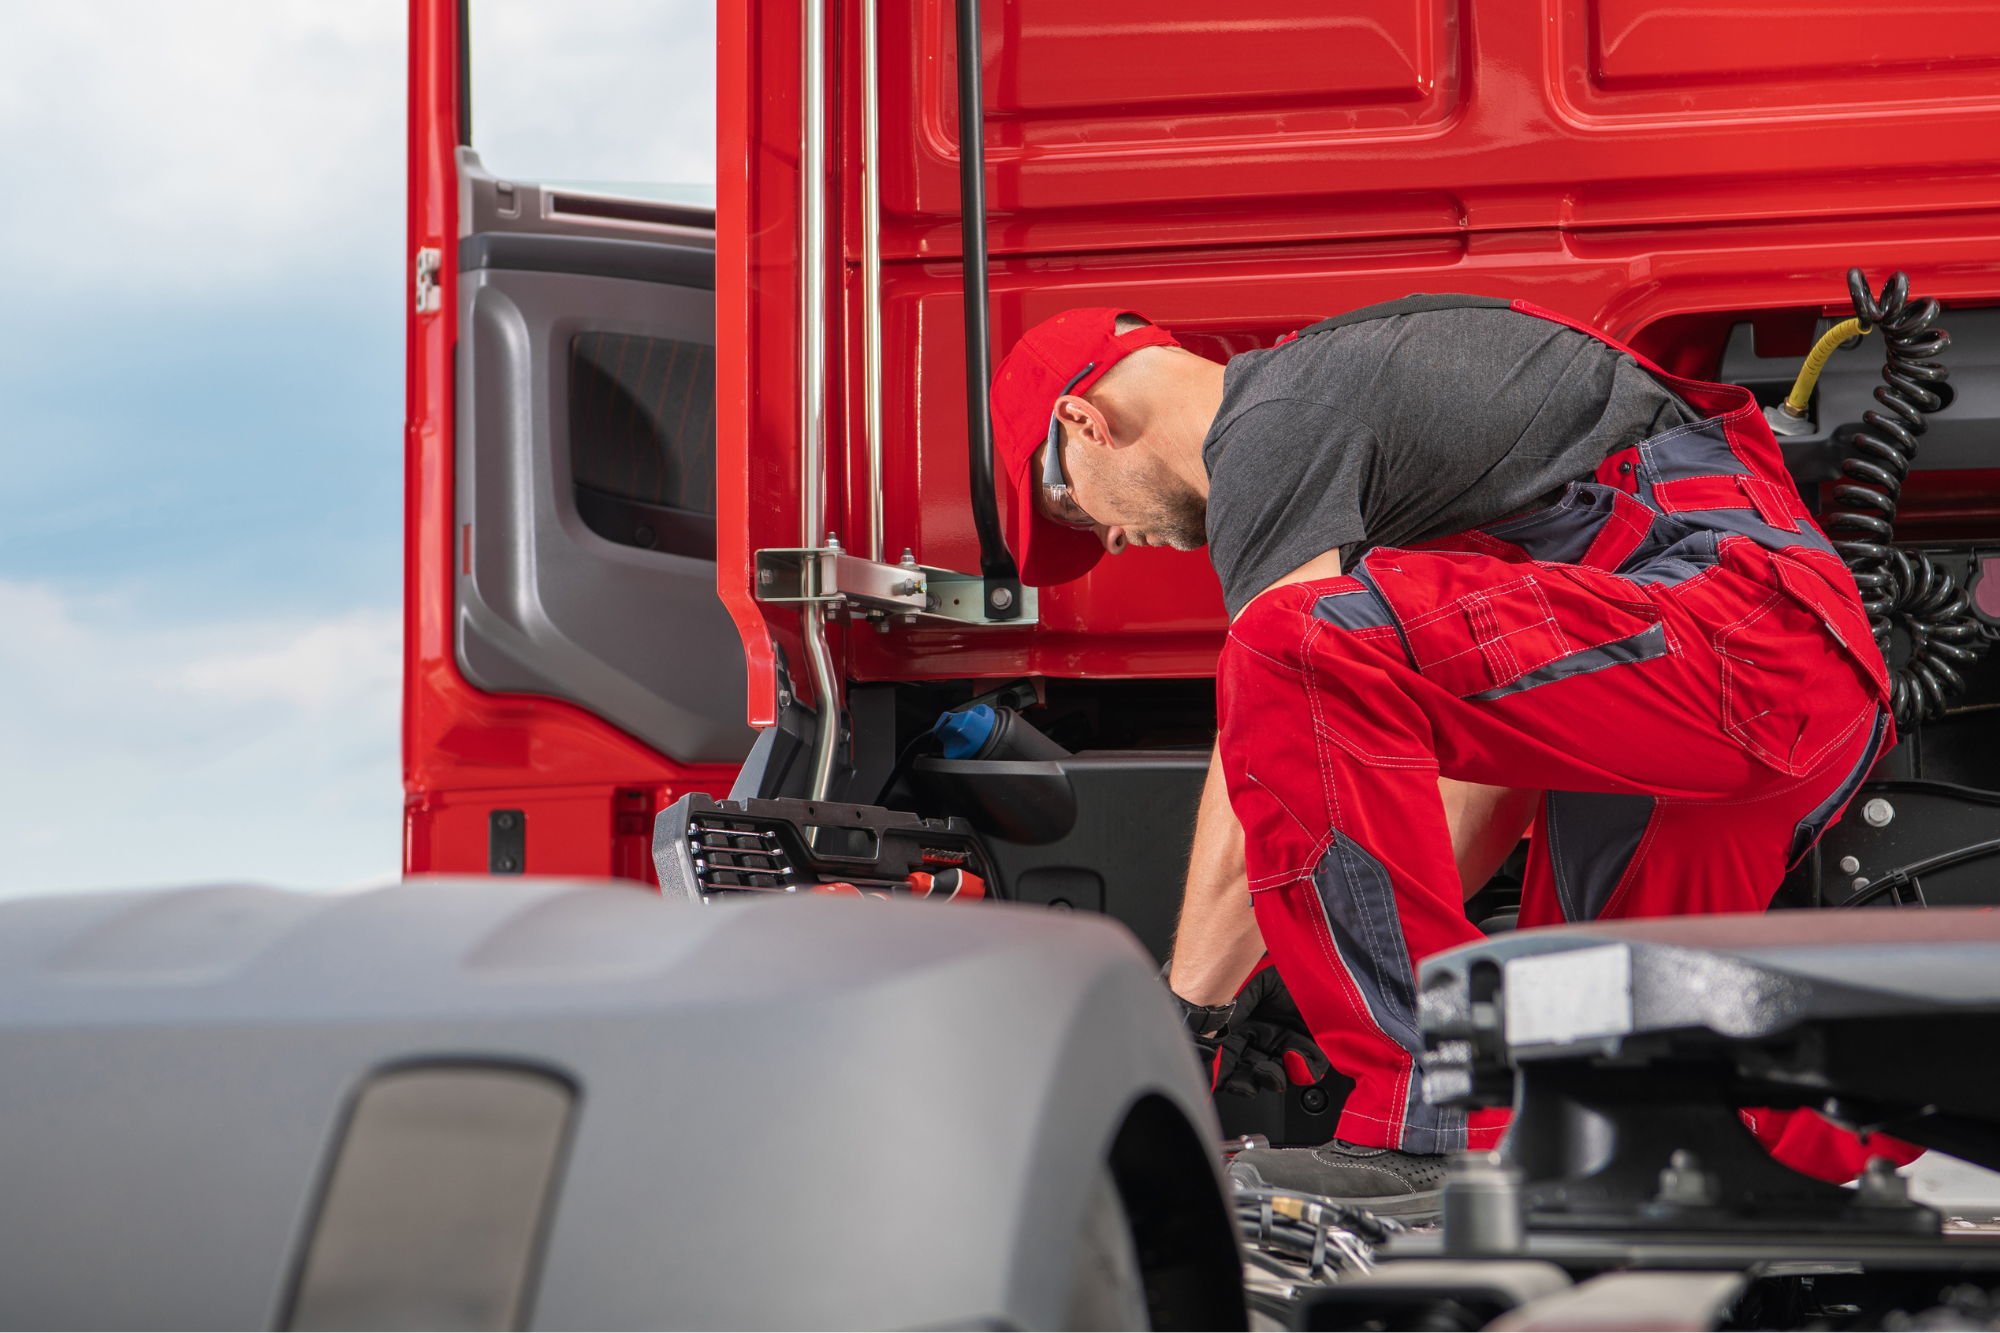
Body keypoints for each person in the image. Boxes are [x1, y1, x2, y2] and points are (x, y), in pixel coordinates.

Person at [986, 298, 1903, 1212]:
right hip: (1758, 687)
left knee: (1286, 644)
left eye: (1064, 503)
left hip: (1736, 636)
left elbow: (1283, 700)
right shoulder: (1382, 448)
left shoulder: (1271, 423)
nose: (1102, 539)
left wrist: (1189, 1013)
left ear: (1086, 421)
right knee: (1607, 1099)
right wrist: (1310, 965)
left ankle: (1432, 1120)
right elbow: (1478, 784)